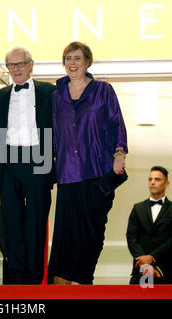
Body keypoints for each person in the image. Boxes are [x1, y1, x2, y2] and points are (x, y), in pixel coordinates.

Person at [48, 41, 128, 285]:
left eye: (77, 58)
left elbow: (116, 123)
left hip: (97, 171)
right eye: (68, 59)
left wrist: (119, 153)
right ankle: (62, 284)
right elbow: (52, 133)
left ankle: (83, 283)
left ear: (87, 62)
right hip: (67, 175)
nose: (72, 63)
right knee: (66, 237)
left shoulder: (104, 90)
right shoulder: (56, 96)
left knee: (91, 235)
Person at [0, 46, 56, 284]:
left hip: (38, 156)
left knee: (36, 221)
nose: (16, 69)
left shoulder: (49, 91)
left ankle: (34, 280)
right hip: (9, 159)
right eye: (11, 65)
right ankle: (17, 279)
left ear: (31, 65)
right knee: (11, 221)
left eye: (20, 64)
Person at [126, 166, 172, 285]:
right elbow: (131, 236)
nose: (152, 182)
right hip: (141, 269)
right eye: (150, 179)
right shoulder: (138, 208)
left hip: (165, 271)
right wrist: (144, 261)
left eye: (157, 179)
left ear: (166, 183)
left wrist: (152, 257)